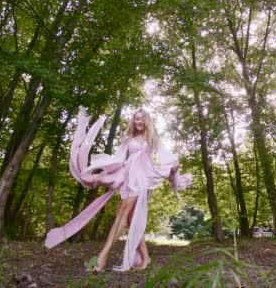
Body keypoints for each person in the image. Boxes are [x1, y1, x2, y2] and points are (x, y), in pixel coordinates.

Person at [44, 107, 192, 271]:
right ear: (133, 121)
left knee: (121, 214)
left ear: (147, 121)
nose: (140, 121)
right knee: (129, 218)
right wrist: (103, 172)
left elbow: (167, 157)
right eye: (137, 118)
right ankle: (146, 258)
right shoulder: (128, 139)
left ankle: (102, 257)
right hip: (128, 177)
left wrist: (174, 168)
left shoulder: (153, 139)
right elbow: (118, 158)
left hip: (141, 180)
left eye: (142, 118)